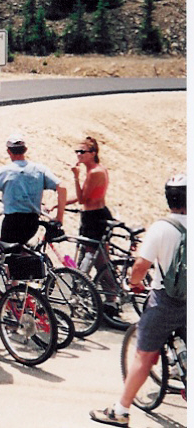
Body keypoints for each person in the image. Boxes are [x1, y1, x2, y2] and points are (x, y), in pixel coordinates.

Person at [89, 174, 187, 427]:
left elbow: (141, 265)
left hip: (166, 301)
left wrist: (134, 283)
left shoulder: (162, 227)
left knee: (144, 355)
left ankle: (120, 411)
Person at [65, 136, 119, 313]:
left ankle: (105, 296)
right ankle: (110, 298)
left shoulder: (94, 172)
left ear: (93, 153)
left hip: (94, 218)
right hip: (95, 215)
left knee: (92, 257)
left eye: (83, 152)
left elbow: (82, 198)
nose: (79, 155)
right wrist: (60, 203)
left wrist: (75, 177)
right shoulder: (96, 170)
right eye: (77, 151)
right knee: (100, 259)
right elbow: (84, 197)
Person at [0, 134, 66, 244]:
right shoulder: (39, 169)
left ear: (9, 152)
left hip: (12, 221)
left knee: (8, 254)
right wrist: (59, 217)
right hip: (32, 222)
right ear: (25, 150)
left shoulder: (5, 172)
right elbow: (62, 187)